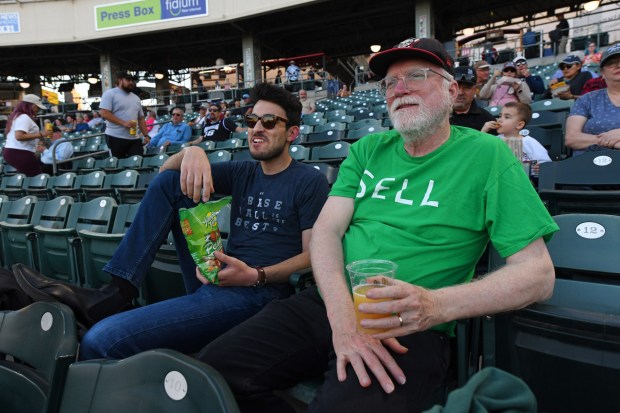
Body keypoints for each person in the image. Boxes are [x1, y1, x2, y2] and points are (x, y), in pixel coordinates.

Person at [197, 37, 558, 412]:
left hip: (407, 325)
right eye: (389, 82)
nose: (399, 89)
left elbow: (537, 275)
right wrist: (342, 320)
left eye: (416, 76)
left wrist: (433, 305)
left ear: (451, 89)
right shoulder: (368, 150)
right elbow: (326, 232)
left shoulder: (488, 155)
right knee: (207, 378)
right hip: (326, 303)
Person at [13, 83, 330, 361]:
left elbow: (311, 257)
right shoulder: (242, 171)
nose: (257, 128)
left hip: (261, 293)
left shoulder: (308, 181)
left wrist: (255, 276)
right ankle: (118, 291)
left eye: (269, 121)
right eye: (252, 120)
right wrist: (191, 151)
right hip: (214, 278)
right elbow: (165, 176)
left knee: (101, 340)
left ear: (292, 132)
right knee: (172, 184)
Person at [565, 43, 620, 154]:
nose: (618, 65)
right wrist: (612, 141)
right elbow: (571, 138)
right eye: (611, 63)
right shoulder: (587, 100)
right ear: (602, 73)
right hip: (590, 164)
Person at [483, 102, 551, 173]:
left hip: (522, 179)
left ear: (519, 125)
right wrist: (483, 132)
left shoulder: (528, 141)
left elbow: (545, 163)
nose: (499, 120)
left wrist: (541, 167)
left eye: (507, 117)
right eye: (500, 116)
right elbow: (479, 154)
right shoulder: (495, 140)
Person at [100, 70, 151, 158]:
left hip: (134, 138)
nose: (131, 82)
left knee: (137, 162)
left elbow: (141, 118)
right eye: (128, 80)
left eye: (132, 80)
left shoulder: (136, 98)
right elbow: (104, 113)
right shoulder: (109, 94)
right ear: (120, 80)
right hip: (115, 136)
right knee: (118, 165)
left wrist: (146, 135)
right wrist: (123, 123)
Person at [2, 94, 51, 176]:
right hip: (20, 152)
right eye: (37, 107)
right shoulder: (24, 117)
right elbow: (19, 136)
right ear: (30, 105)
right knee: (36, 179)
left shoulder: (19, 116)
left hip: (14, 151)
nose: (38, 110)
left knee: (28, 178)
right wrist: (41, 134)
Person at [450, 65, 497, 134]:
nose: (460, 92)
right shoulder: (437, 116)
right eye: (456, 87)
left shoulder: (486, 119)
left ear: (475, 90)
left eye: (466, 88)